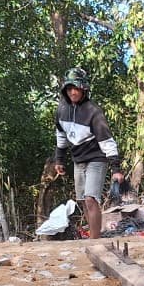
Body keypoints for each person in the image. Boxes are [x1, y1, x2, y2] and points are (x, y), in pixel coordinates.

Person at [53, 67, 122, 238]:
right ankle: (92, 235)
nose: (73, 92)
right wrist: (59, 160)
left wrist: (116, 168)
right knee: (83, 200)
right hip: (78, 159)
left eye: (76, 88)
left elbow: (107, 141)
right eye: (69, 88)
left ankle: (95, 240)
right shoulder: (62, 110)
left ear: (83, 89)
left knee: (91, 198)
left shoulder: (93, 112)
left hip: (97, 158)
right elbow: (61, 136)